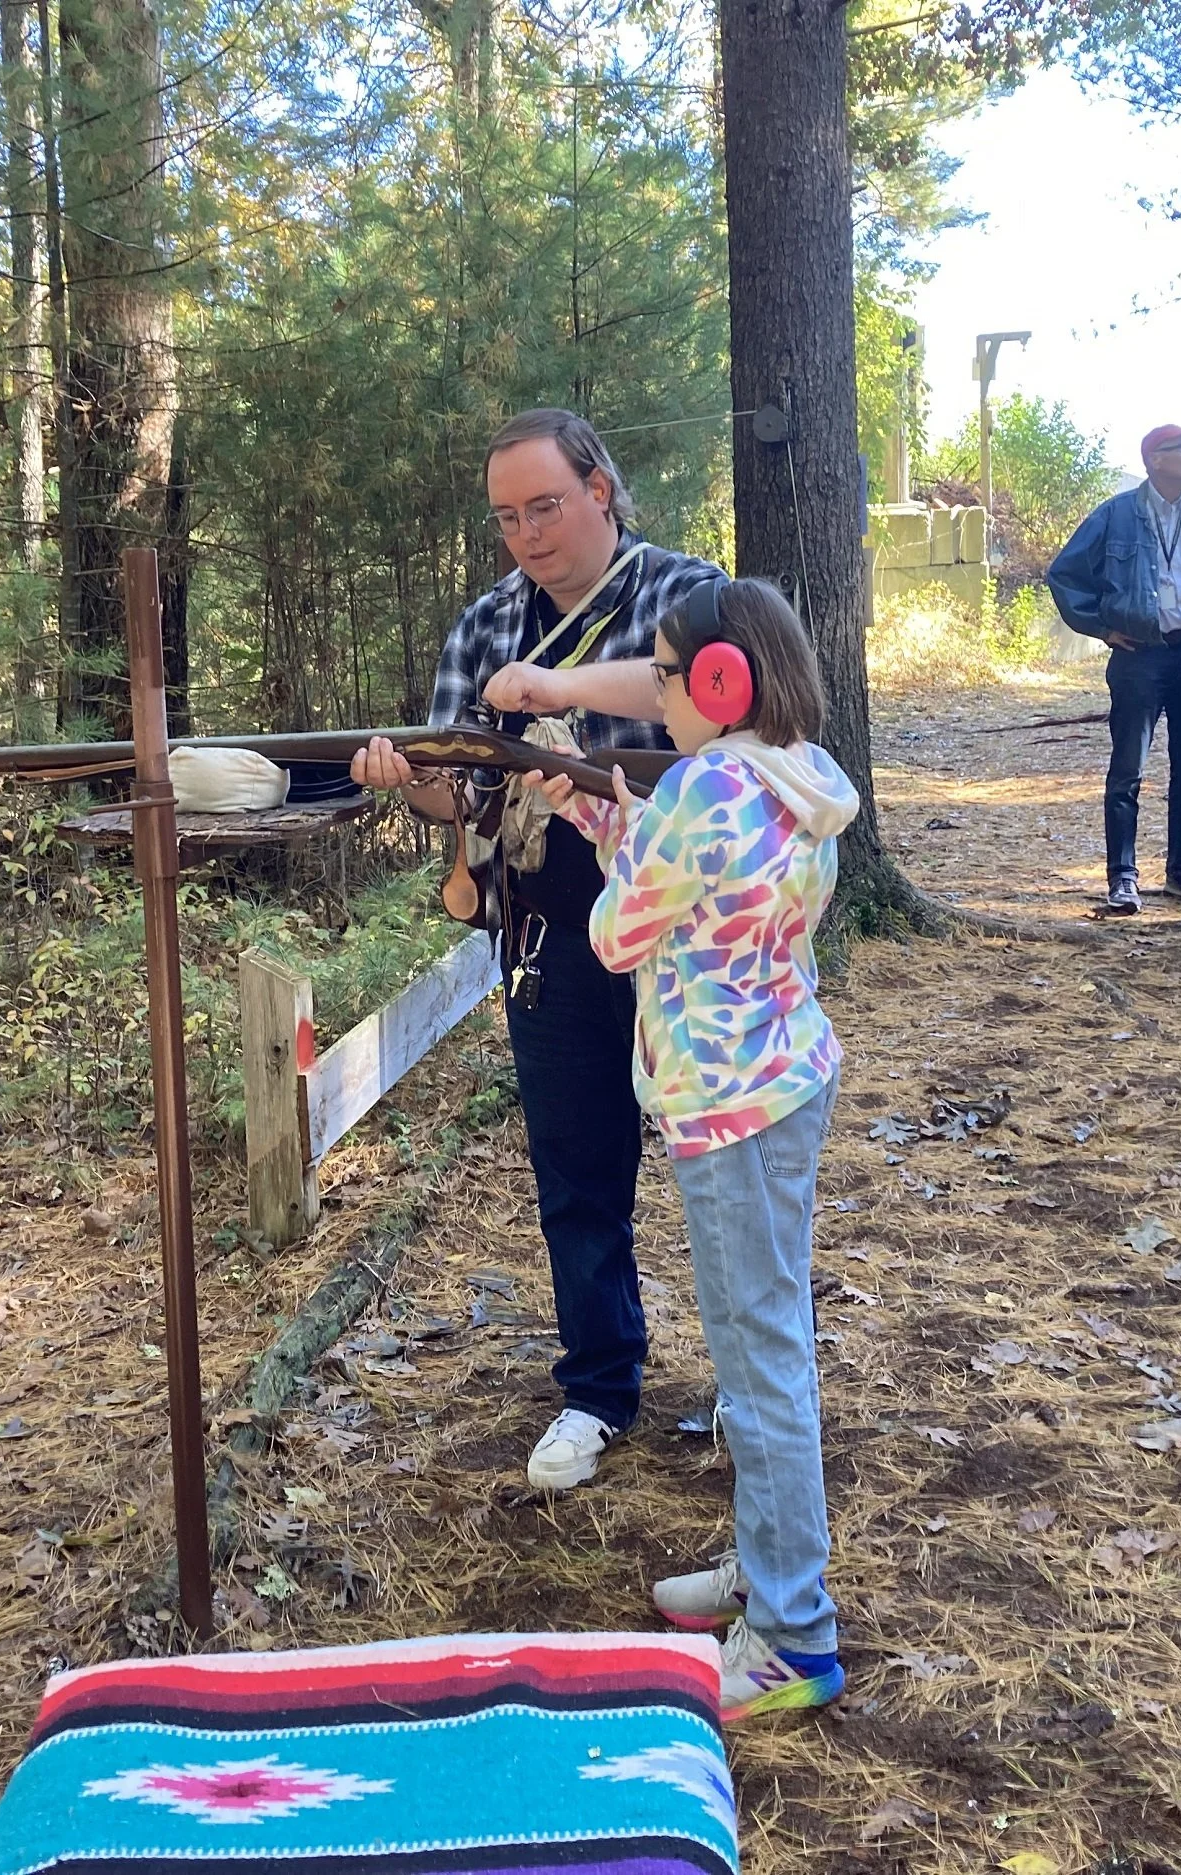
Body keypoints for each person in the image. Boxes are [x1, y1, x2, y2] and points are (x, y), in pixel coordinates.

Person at [350, 409, 724, 1491]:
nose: (527, 533)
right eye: (507, 516)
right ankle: (599, 1388)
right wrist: (402, 774)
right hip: (550, 928)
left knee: (723, 1169)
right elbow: (452, 788)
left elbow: (742, 735)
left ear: (601, 489)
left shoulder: (687, 600)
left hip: (693, 939)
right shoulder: (485, 625)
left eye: (546, 505)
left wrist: (570, 722)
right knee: (576, 1172)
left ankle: (753, 1392)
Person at [527, 577, 855, 1722]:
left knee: (759, 1362)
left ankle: (793, 1635)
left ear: (722, 680)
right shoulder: (788, 770)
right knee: (763, 1345)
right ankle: (768, 1569)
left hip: (725, 1102)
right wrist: (619, 822)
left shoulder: (708, 784)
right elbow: (704, 893)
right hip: (782, 1074)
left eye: (668, 674)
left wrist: (628, 844)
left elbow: (619, 935)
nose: (659, 693)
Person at [1047, 423, 1181, 914]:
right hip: (1139, 655)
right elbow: (1063, 575)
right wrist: (1100, 627)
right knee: (1128, 770)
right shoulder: (1116, 515)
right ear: (1155, 460)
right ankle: (1122, 878)